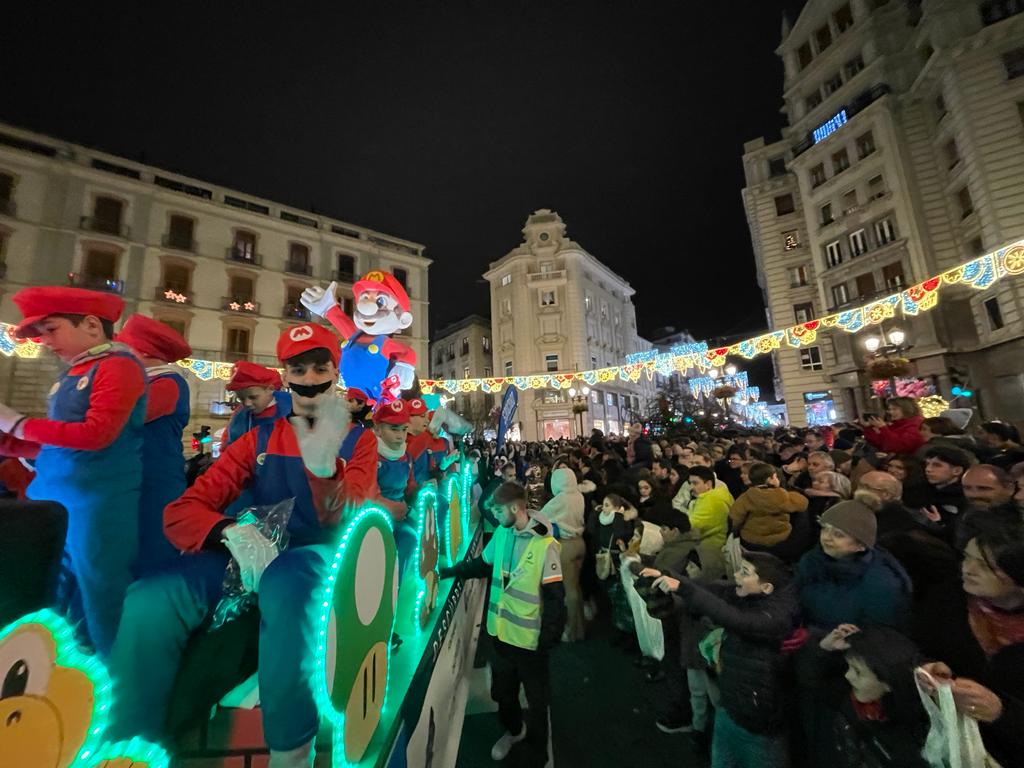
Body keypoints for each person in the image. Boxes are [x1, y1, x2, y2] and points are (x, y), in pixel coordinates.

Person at [108, 322, 377, 766]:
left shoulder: (359, 439)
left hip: (325, 557)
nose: (309, 379)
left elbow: (355, 514)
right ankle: (129, 745)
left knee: (286, 582)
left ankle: (291, 748)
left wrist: (325, 467)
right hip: (258, 554)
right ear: (285, 373)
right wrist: (228, 531)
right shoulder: (260, 438)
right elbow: (183, 512)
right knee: (151, 596)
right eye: (298, 368)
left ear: (334, 371)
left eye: (319, 367)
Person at [0, 287, 146, 656]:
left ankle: (116, 686)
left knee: (101, 597)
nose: (47, 342)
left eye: (52, 329)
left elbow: (97, 434)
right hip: (55, 499)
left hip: (96, 504)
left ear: (93, 326)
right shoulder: (76, 372)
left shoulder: (119, 366)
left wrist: (19, 425)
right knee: (55, 594)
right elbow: (60, 440)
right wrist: (11, 443)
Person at [440, 482, 565, 768]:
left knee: (537, 701)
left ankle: (539, 752)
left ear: (514, 508)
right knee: (503, 694)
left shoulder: (545, 546)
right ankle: (514, 731)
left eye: (497, 510)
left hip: (531, 642)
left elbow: (556, 598)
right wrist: (451, 572)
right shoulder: (502, 533)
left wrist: (549, 637)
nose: (494, 515)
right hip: (500, 635)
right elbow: (483, 565)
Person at [646, 551, 800, 768]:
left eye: (745, 573)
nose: (736, 575)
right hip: (730, 709)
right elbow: (711, 588)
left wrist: (683, 588)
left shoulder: (777, 618)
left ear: (766, 588)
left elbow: (736, 620)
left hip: (761, 729)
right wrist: (664, 575)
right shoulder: (748, 596)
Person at [914, 514, 1024, 766]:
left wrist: (1001, 712)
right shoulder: (948, 598)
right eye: (967, 557)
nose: (967, 569)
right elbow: (919, 645)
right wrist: (928, 668)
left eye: (984, 565)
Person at [116, 313, 193, 576]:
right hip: (135, 482)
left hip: (152, 485)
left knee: (149, 555)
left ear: (142, 352)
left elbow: (120, 418)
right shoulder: (146, 382)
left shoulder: (168, 383)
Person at [815, 625, 929, 768]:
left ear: (889, 683)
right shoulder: (857, 701)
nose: (848, 675)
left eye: (858, 672)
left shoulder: (914, 740)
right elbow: (821, 685)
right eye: (849, 666)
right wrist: (824, 650)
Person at [796, 500, 912, 635]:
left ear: (861, 546)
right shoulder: (812, 559)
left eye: (838, 534)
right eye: (825, 528)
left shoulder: (882, 585)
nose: (826, 538)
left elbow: (878, 636)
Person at [539, 466, 586, 641]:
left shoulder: (560, 500)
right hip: (580, 543)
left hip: (566, 546)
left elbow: (540, 518)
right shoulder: (578, 496)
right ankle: (580, 627)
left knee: (570, 591)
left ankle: (572, 631)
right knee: (576, 588)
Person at [729, 462, 810, 561]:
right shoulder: (782, 496)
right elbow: (803, 504)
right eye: (775, 477)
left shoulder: (746, 497)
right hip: (780, 539)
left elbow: (734, 519)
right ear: (769, 479)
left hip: (751, 540)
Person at [223, 361, 291, 448]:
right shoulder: (239, 415)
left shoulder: (293, 406)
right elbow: (228, 448)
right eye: (241, 399)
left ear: (270, 389)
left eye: (253, 397)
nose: (247, 403)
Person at [686, 465, 734, 552]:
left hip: (706, 550)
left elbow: (692, 528)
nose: (691, 487)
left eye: (695, 483)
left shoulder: (712, 500)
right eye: (690, 483)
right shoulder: (709, 498)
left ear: (708, 484)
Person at [859, 397, 925, 455]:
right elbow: (879, 443)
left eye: (895, 409)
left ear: (907, 409)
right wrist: (869, 428)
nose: (890, 412)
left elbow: (898, 447)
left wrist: (883, 428)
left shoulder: (916, 424)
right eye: (890, 409)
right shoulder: (897, 424)